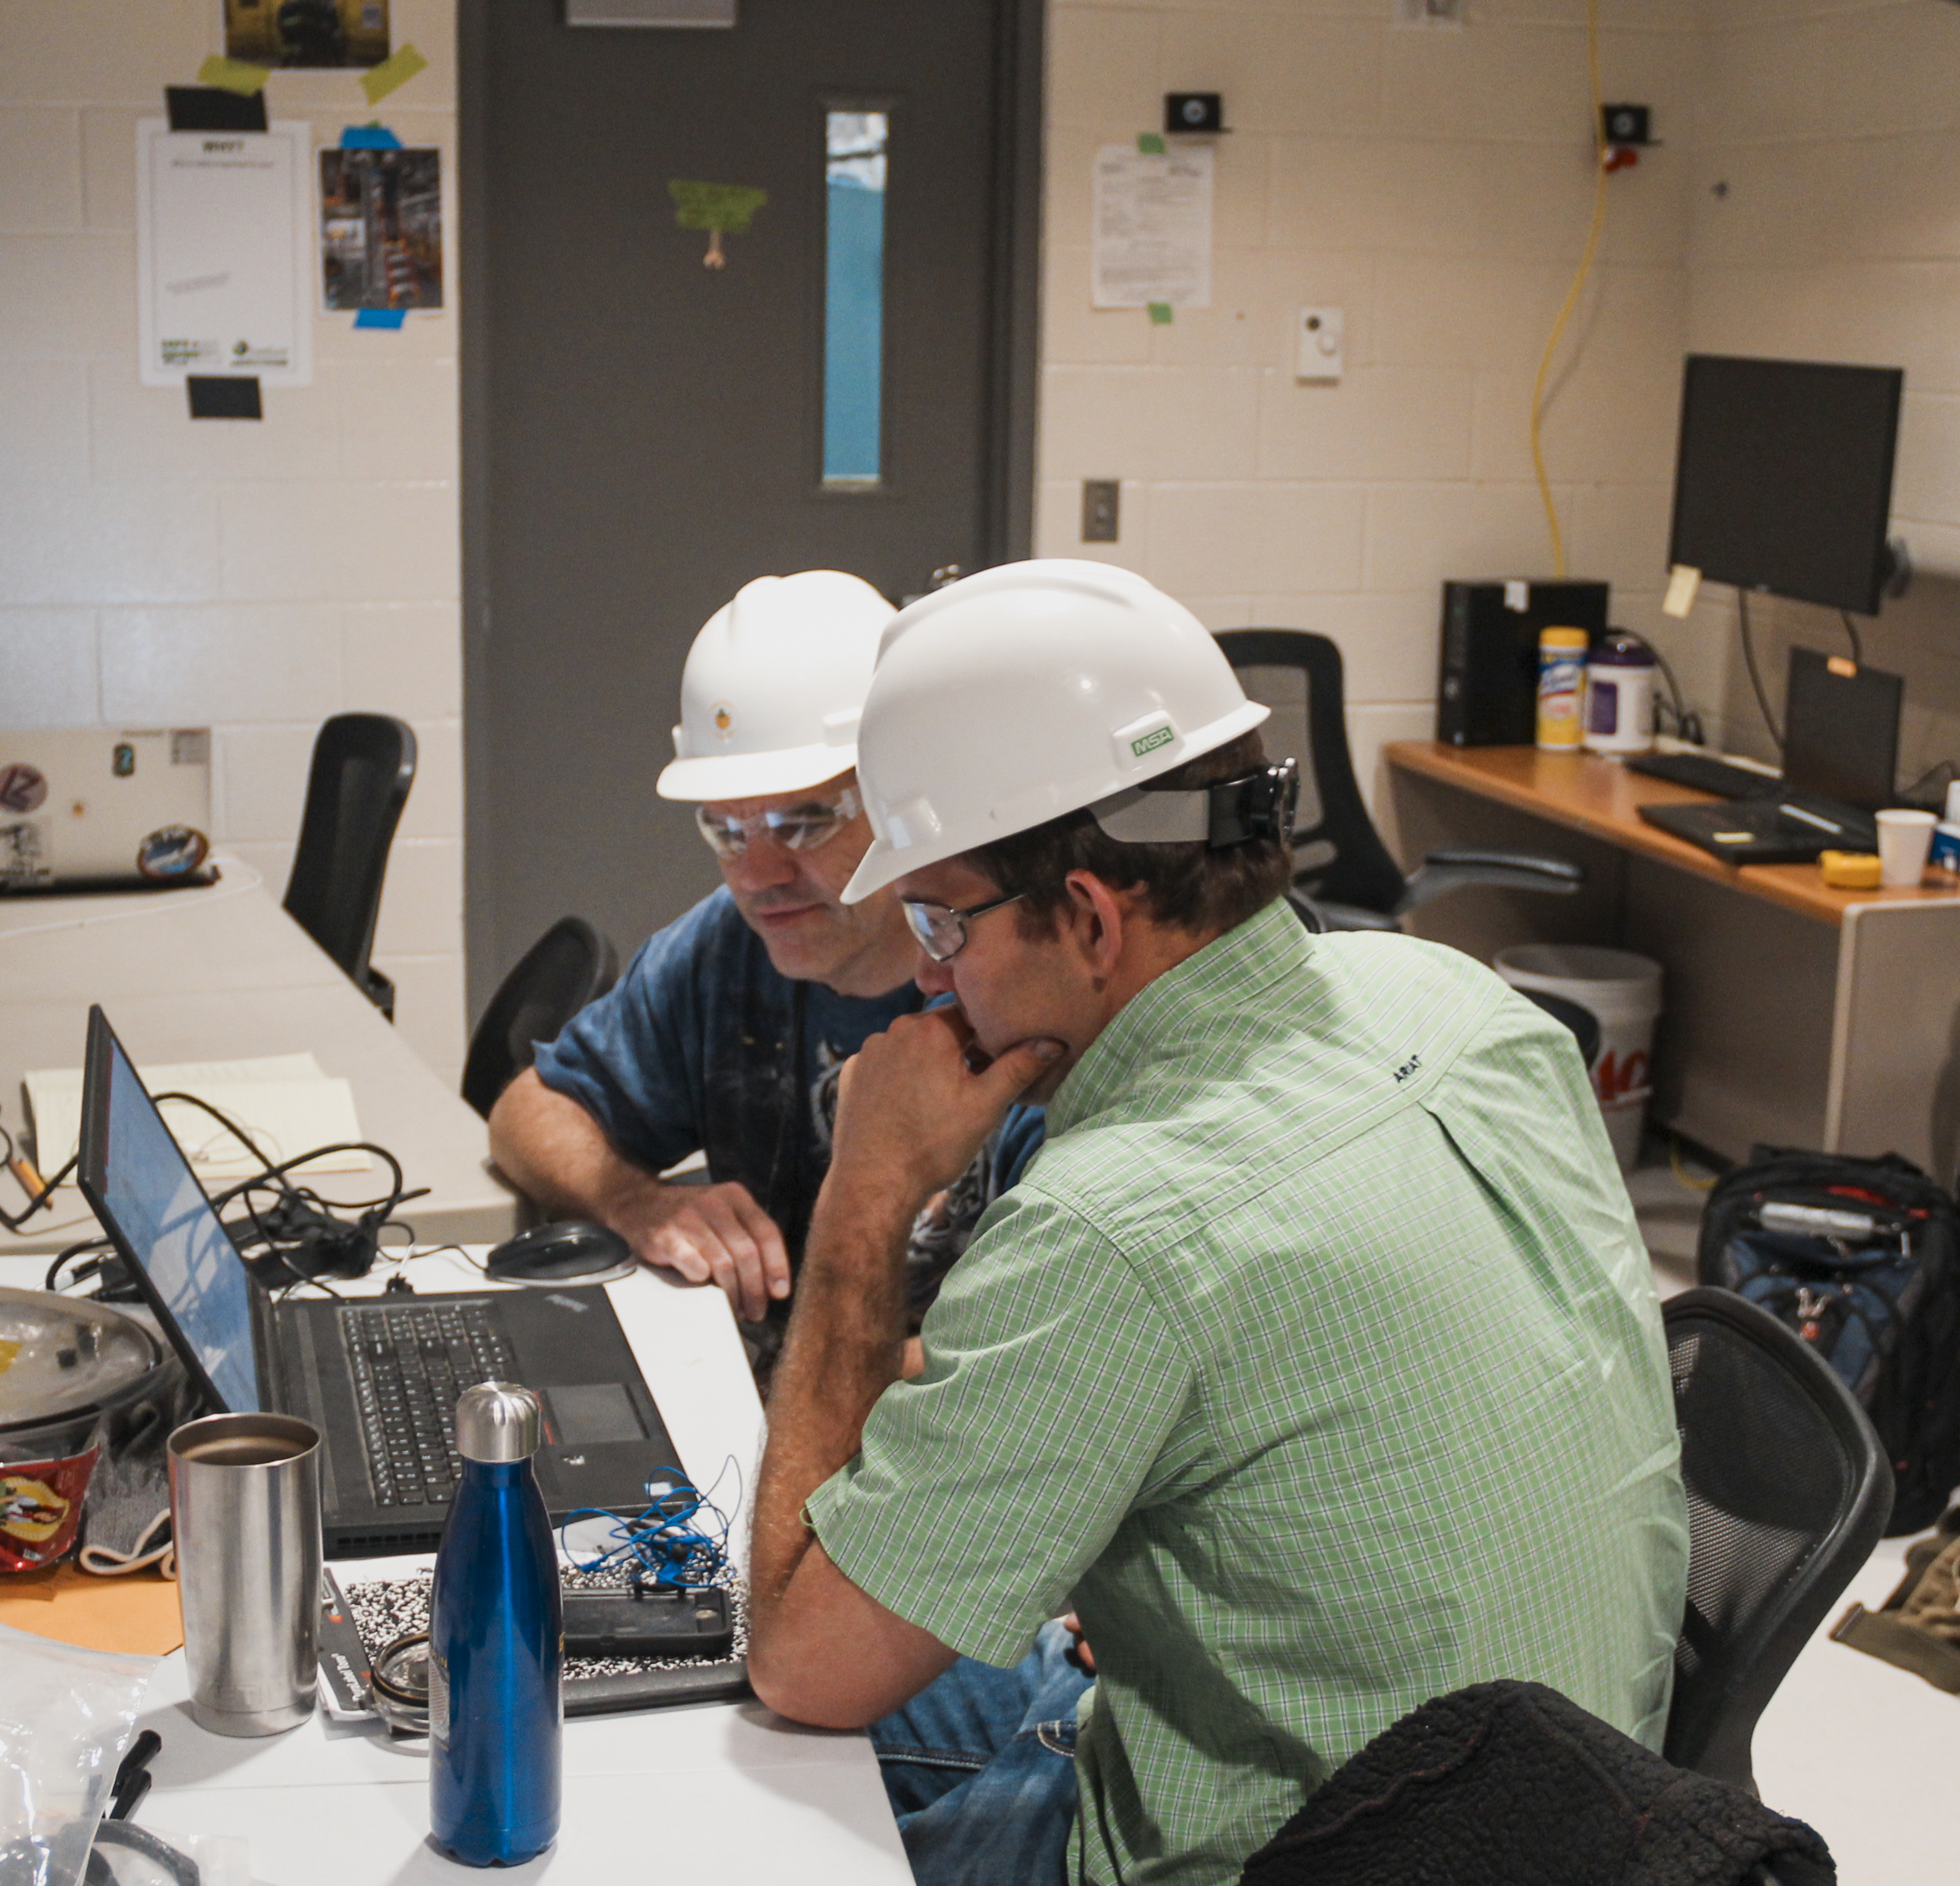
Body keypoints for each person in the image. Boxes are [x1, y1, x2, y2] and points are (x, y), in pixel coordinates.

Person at [746, 561, 1689, 1886]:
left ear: (1084, 917)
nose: (923, 974)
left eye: (937, 919)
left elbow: (803, 1662)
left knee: (734, 1776)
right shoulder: (1463, 1008)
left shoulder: (1117, 1226)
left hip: (1298, 1856)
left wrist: (864, 1197)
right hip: (1580, 1818)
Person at [487, 571, 1041, 1337]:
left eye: (803, 822)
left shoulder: (1012, 982)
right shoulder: (727, 947)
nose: (758, 876)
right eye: (726, 830)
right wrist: (637, 1202)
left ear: (902, 792)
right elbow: (528, 1111)